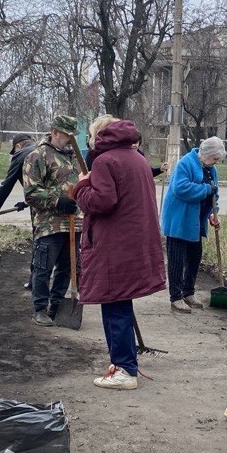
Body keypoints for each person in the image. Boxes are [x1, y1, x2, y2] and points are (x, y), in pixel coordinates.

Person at [72, 119, 166, 389]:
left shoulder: (104, 162)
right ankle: (121, 363)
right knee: (119, 302)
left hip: (114, 244)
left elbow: (102, 201)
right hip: (132, 242)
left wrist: (81, 186)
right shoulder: (136, 158)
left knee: (114, 304)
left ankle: (125, 369)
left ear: (99, 135)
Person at [22, 115, 82, 327]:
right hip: (49, 223)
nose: (70, 140)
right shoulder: (37, 156)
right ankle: (40, 308)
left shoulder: (73, 156)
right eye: (67, 136)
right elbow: (30, 193)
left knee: (68, 268)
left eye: (72, 136)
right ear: (55, 132)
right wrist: (58, 200)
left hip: (74, 222)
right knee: (43, 267)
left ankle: (56, 306)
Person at [161, 137, 226, 313]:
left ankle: (188, 292)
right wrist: (205, 189)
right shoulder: (186, 163)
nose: (215, 163)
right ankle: (176, 297)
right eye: (214, 159)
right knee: (177, 260)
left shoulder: (210, 169)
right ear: (206, 154)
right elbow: (180, 188)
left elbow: (214, 195)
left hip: (196, 221)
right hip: (179, 219)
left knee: (194, 257)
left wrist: (213, 214)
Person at [0, 133, 35, 220]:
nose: (14, 154)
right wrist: (26, 202)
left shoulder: (21, 154)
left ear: (18, 146)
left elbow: (7, 185)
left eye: (14, 151)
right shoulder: (44, 150)